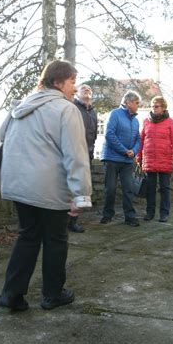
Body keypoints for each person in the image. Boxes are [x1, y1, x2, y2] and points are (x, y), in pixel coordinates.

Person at [0, 60, 92, 311]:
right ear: (58, 82)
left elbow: (2, 135)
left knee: (28, 237)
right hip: (49, 187)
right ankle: (52, 294)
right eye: (72, 82)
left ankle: (11, 295)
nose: (74, 87)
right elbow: (76, 155)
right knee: (55, 240)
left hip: (19, 184)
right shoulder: (66, 109)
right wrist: (80, 195)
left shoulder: (21, 106)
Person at [99, 90, 141, 227]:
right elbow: (109, 135)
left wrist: (133, 151)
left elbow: (138, 140)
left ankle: (130, 217)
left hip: (127, 161)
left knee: (128, 189)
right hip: (112, 158)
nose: (138, 106)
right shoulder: (114, 114)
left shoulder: (135, 121)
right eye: (136, 103)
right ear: (128, 102)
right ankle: (107, 215)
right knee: (110, 189)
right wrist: (124, 151)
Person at [137, 96, 173, 223]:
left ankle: (164, 213)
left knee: (165, 188)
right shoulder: (146, 121)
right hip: (150, 160)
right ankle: (150, 213)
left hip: (165, 159)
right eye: (152, 106)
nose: (154, 109)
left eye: (156, 106)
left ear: (163, 108)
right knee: (150, 189)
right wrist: (139, 158)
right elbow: (142, 141)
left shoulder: (170, 122)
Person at [68, 84, 98, 233]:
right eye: (83, 88)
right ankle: (65, 221)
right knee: (70, 189)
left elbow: (94, 134)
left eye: (89, 89)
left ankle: (73, 221)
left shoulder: (93, 112)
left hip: (88, 155)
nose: (87, 89)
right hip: (73, 154)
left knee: (82, 191)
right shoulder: (73, 108)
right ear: (77, 93)